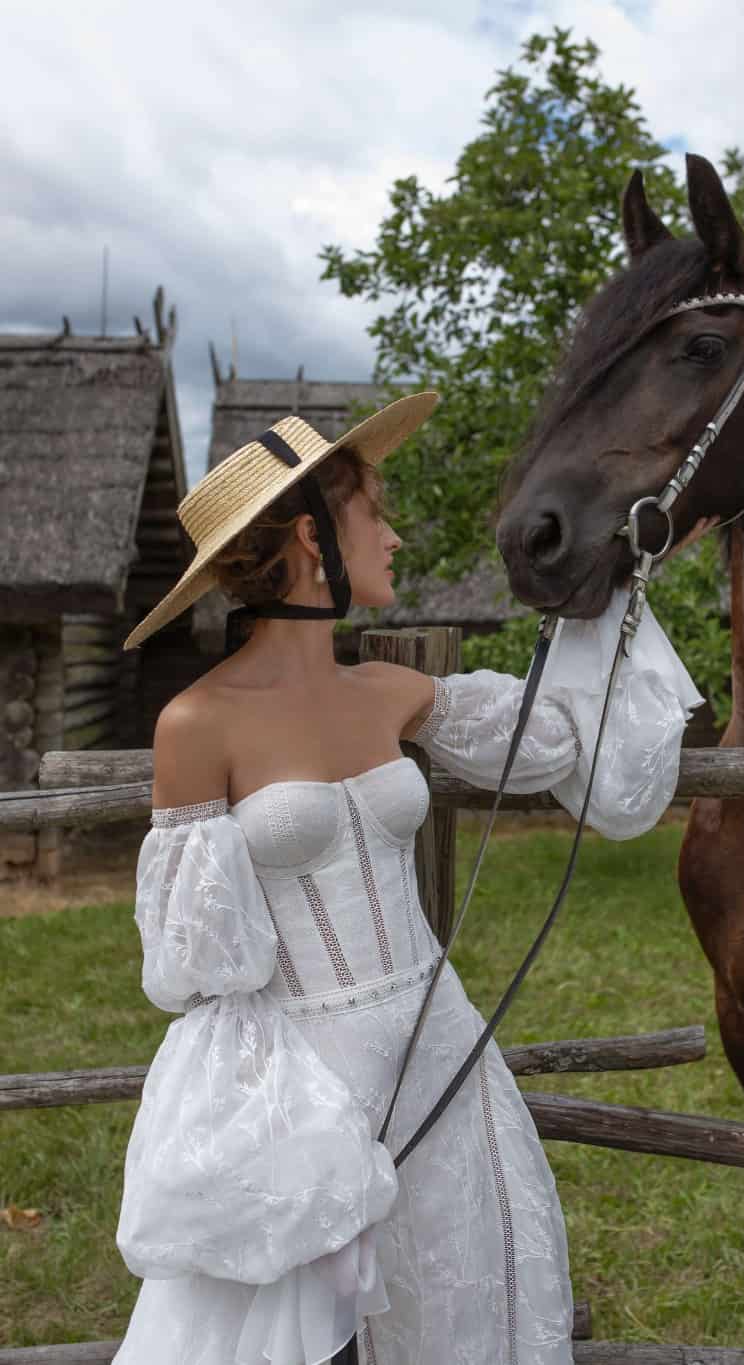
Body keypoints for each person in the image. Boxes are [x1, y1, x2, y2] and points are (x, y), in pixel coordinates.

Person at [112, 394, 705, 1365]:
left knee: (452, 1300)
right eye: (374, 512)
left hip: (439, 1047)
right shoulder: (194, 725)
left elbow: (548, 740)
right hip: (301, 1080)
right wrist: (285, 1125)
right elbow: (194, 965)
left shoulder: (387, 692)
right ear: (311, 538)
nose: (392, 534)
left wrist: (618, 585)